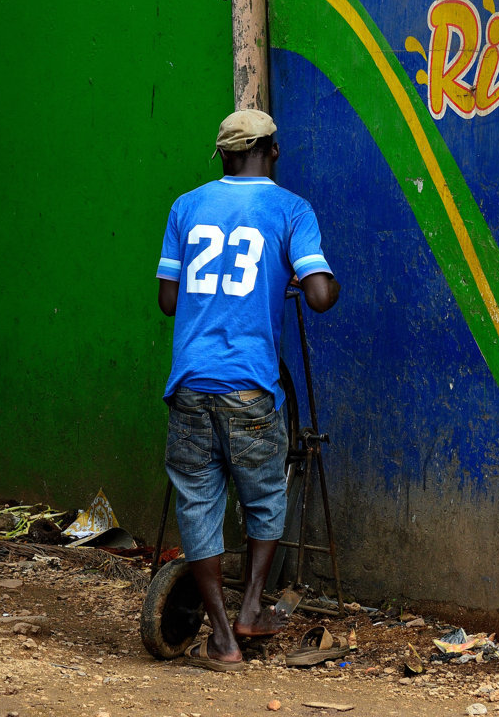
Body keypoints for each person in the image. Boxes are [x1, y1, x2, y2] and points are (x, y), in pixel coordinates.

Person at [155, 108, 341, 671]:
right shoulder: (291, 209)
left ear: (225, 155)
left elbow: (168, 301)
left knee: (197, 504)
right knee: (264, 498)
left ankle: (221, 639)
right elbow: (320, 297)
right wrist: (293, 276)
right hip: (250, 389)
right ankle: (253, 607)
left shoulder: (186, 207)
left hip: (190, 382)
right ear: (274, 151)